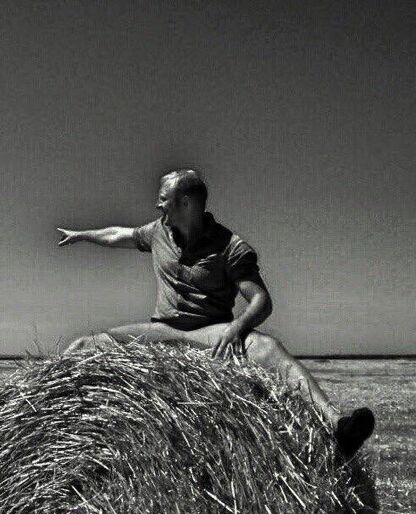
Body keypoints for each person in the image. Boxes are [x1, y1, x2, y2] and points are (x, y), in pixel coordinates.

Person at [57, 168, 375, 458]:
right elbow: (119, 235)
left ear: (185, 203)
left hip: (211, 332)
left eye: (163, 199)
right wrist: (82, 235)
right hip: (163, 329)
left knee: (269, 348)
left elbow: (261, 300)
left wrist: (237, 328)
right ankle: (43, 411)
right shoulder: (158, 231)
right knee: (86, 345)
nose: (157, 205)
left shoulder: (231, 247)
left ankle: (337, 425)